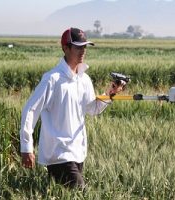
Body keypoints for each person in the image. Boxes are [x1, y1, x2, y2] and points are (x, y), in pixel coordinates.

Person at [20, 27, 123, 188]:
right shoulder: (51, 79)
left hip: (78, 152)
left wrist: (110, 93)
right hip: (58, 153)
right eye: (78, 46)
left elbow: (92, 108)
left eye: (85, 46)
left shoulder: (84, 79)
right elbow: (30, 110)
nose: (83, 51)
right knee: (81, 193)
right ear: (65, 48)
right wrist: (26, 147)